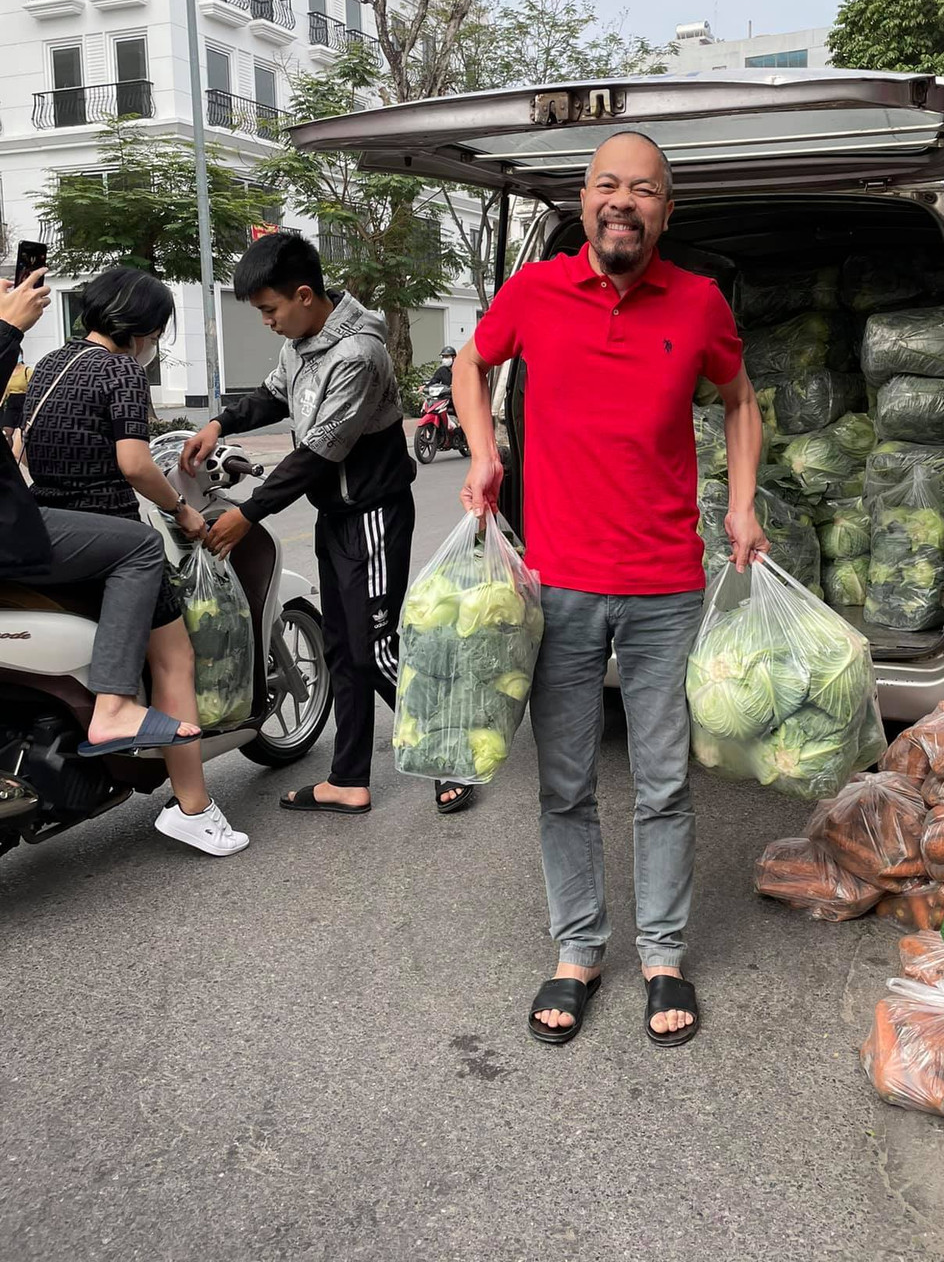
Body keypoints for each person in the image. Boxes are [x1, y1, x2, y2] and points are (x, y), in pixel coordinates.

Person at [454, 130, 766, 1048]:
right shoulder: (535, 291)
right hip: (557, 586)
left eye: (643, 189)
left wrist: (742, 503)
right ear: (582, 200)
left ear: (668, 210)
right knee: (564, 783)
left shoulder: (700, 303)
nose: (621, 200)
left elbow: (741, 400)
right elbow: (473, 363)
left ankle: (663, 955)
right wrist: (483, 450)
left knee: (664, 783)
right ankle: (579, 949)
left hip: (666, 585)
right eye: (605, 185)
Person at [182, 234, 472, 814]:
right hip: (336, 516)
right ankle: (348, 778)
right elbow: (273, 395)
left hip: (373, 516)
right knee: (342, 647)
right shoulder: (303, 341)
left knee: (378, 648)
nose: (267, 322)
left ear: (305, 295)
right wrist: (219, 422)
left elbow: (317, 452)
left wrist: (248, 513)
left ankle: (450, 757)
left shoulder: (358, 354)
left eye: (270, 310)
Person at [22, 267, 248, 857]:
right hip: (111, 537)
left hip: (49, 533)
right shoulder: (119, 369)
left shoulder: (50, 365)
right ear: (145, 327)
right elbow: (134, 463)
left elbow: (28, 445)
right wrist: (183, 511)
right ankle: (194, 809)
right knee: (175, 660)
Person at [2, 356, 30, 445]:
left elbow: (33, 388)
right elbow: (5, 390)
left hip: (24, 401)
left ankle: (24, 457)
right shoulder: (7, 372)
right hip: (11, 402)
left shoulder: (27, 371)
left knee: (24, 433)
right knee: (6, 432)